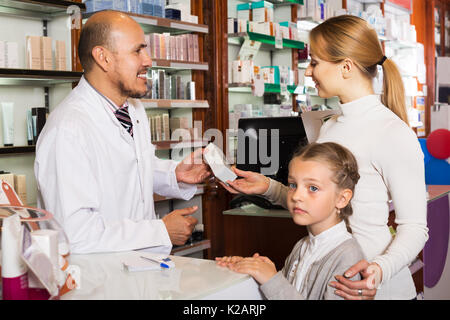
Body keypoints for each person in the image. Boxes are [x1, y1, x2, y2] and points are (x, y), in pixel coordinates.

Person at [220, 15, 428, 300]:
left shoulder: (392, 132)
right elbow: (320, 202)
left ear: (345, 67)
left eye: (315, 62)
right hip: (327, 280)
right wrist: (267, 187)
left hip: (374, 290)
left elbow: (415, 228)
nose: (308, 72)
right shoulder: (328, 126)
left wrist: (377, 271)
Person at [34, 10, 211, 254]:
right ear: (103, 58)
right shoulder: (67, 129)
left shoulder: (133, 109)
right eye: (137, 51)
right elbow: (74, 236)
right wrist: (160, 231)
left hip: (141, 272)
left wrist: (175, 174)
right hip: (100, 283)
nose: (148, 60)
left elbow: (133, 167)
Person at [217, 142, 365, 299]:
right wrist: (254, 271)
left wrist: (272, 279)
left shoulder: (347, 257)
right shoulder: (302, 246)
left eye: (313, 188)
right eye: (293, 185)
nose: (295, 196)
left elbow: (278, 287)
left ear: (342, 199)